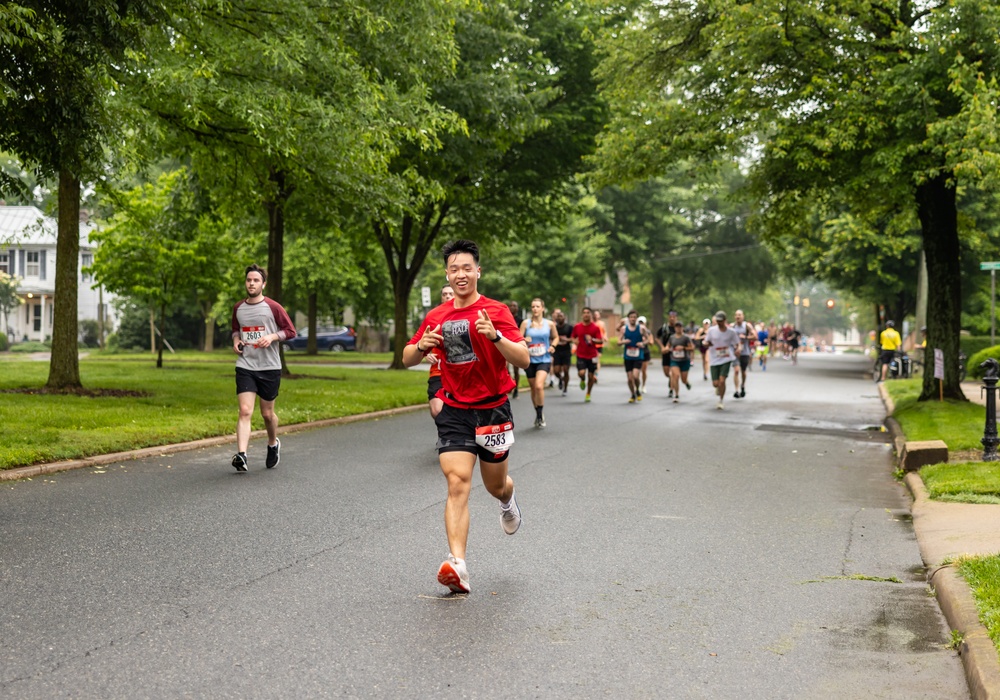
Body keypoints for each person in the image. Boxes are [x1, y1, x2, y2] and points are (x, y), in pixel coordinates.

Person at [403, 239, 529, 595]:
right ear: (447, 273)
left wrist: (497, 336)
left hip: (492, 407)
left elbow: (522, 359)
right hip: (455, 407)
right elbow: (407, 357)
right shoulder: (437, 316)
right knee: (458, 483)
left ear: (478, 271)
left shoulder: (496, 310)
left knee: (493, 485)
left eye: (466, 268)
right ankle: (458, 564)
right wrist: (421, 347)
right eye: (454, 269)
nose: (461, 274)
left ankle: (507, 498)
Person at [230, 264, 296, 472]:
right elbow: (235, 330)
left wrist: (272, 336)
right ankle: (242, 456)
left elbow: (290, 331)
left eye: (256, 280)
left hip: (269, 367)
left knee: (267, 414)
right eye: (249, 280)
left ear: (263, 284)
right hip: (246, 365)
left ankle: (272, 443)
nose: (251, 283)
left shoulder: (273, 307)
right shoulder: (238, 308)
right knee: (244, 411)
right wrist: (236, 340)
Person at [520, 298, 558, 427]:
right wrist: (525, 339)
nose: (535, 309)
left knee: (539, 386)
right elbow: (518, 338)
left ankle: (540, 414)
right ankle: (537, 413)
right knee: (533, 388)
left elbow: (556, 337)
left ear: (543, 308)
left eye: (537, 306)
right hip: (529, 359)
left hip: (544, 359)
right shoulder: (526, 323)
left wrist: (553, 346)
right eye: (533, 307)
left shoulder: (550, 324)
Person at [426, 284, 455, 418]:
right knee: (437, 410)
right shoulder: (433, 317)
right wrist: (427, 354)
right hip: (438, 371)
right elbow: (422, 342)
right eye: (445, 294)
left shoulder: (467, 314)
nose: (448, 296)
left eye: (450, 293)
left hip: (461, 371)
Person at [705, 311, 740, 410]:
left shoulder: (731, 332)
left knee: (722, 381)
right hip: (714, 359)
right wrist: (705, 343)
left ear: (725, 320)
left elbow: (737, 343)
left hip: (726, 358)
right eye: (717, 321)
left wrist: (738, 349)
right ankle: (718, 388)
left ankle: (721, 400)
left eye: (721, 321)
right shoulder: (711, 330)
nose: (719, 322)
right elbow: (706, 341)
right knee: (715, 383)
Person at [571, 307, 602, 402]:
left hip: (592, 355)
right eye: (584, 312)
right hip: (581, 354)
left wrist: (592, 339)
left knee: (591, 376)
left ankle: (588, 393)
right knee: (581, 373)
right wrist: (574, 341)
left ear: (591, 315)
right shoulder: (577, 327)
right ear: (582, 315)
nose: (586, 314)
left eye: (588, 312)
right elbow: (572, 337)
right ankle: (582, 379)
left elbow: (600, 340)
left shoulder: (595, 327)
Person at [618, 310, 647, 403]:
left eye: (634, 317)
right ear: (628, 318)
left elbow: (648, 339)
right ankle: (633, 394)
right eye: (631, 317)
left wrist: (642, 343)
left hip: (638, 356)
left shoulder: (641, 328)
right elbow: (618, 342)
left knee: (635, 376)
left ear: (637, 318)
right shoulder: (624, 329)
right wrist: (623, 341)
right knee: (630, 379)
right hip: (628, 356)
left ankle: (638, 389)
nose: (633, 319)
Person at [665, 321, 695, 403]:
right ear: (675, 328)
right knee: (675, 376)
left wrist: (684, 348)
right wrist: (667, 348)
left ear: (682, 328)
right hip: (675, 360)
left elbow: (692, 348)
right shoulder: (672, 337)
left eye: (680, 327)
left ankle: (686, 382)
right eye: (677, 327)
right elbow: (668, 345)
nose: (678, 329)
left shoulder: (686, 337)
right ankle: (676, 394)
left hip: (685, 360)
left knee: (683, 379)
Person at [730, 309, 754, 399]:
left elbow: (755, 336)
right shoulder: (732, 326)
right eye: (736, 315)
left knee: (743, 371)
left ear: (743, 316)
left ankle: (742, 386)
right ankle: (736, 391)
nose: (738, 317)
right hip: (735, 352)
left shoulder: (747, 326)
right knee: (736, 371)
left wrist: (746, 337)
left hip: (745, 352)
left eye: (739, 315)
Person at [551, 309, 574, 396]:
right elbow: (551, 338)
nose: (560, 318)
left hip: (566, 351)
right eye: (558, 316)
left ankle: (565, 388)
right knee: (556, 371)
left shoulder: (569, 327)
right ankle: (561, 379)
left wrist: (566, 339)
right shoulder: (554, 328)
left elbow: (573, 338)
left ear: (565, 318)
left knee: (566, 370)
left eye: (561, 316)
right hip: (557, 351)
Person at [506, 300, 521, 398]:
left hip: (516, 345)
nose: (512, 307)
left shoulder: (520, 320)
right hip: (506, 345)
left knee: (516, 370)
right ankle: (509, 384)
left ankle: (516, 388)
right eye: (511, 305)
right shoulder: (505, 317)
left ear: (517, 308)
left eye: (514, 306)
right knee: (505, 368)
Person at [637, 315, 653, 393]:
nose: (641, 324)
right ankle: (637, 385)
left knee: (643, 370)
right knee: (637, 370)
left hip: (645, 352)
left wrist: (645, 340)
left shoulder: (648, 332)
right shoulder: (635, 330)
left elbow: (651, 342)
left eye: (642, 323)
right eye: (639, 322)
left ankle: (643, 386)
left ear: (645, 323)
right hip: (636, 352)